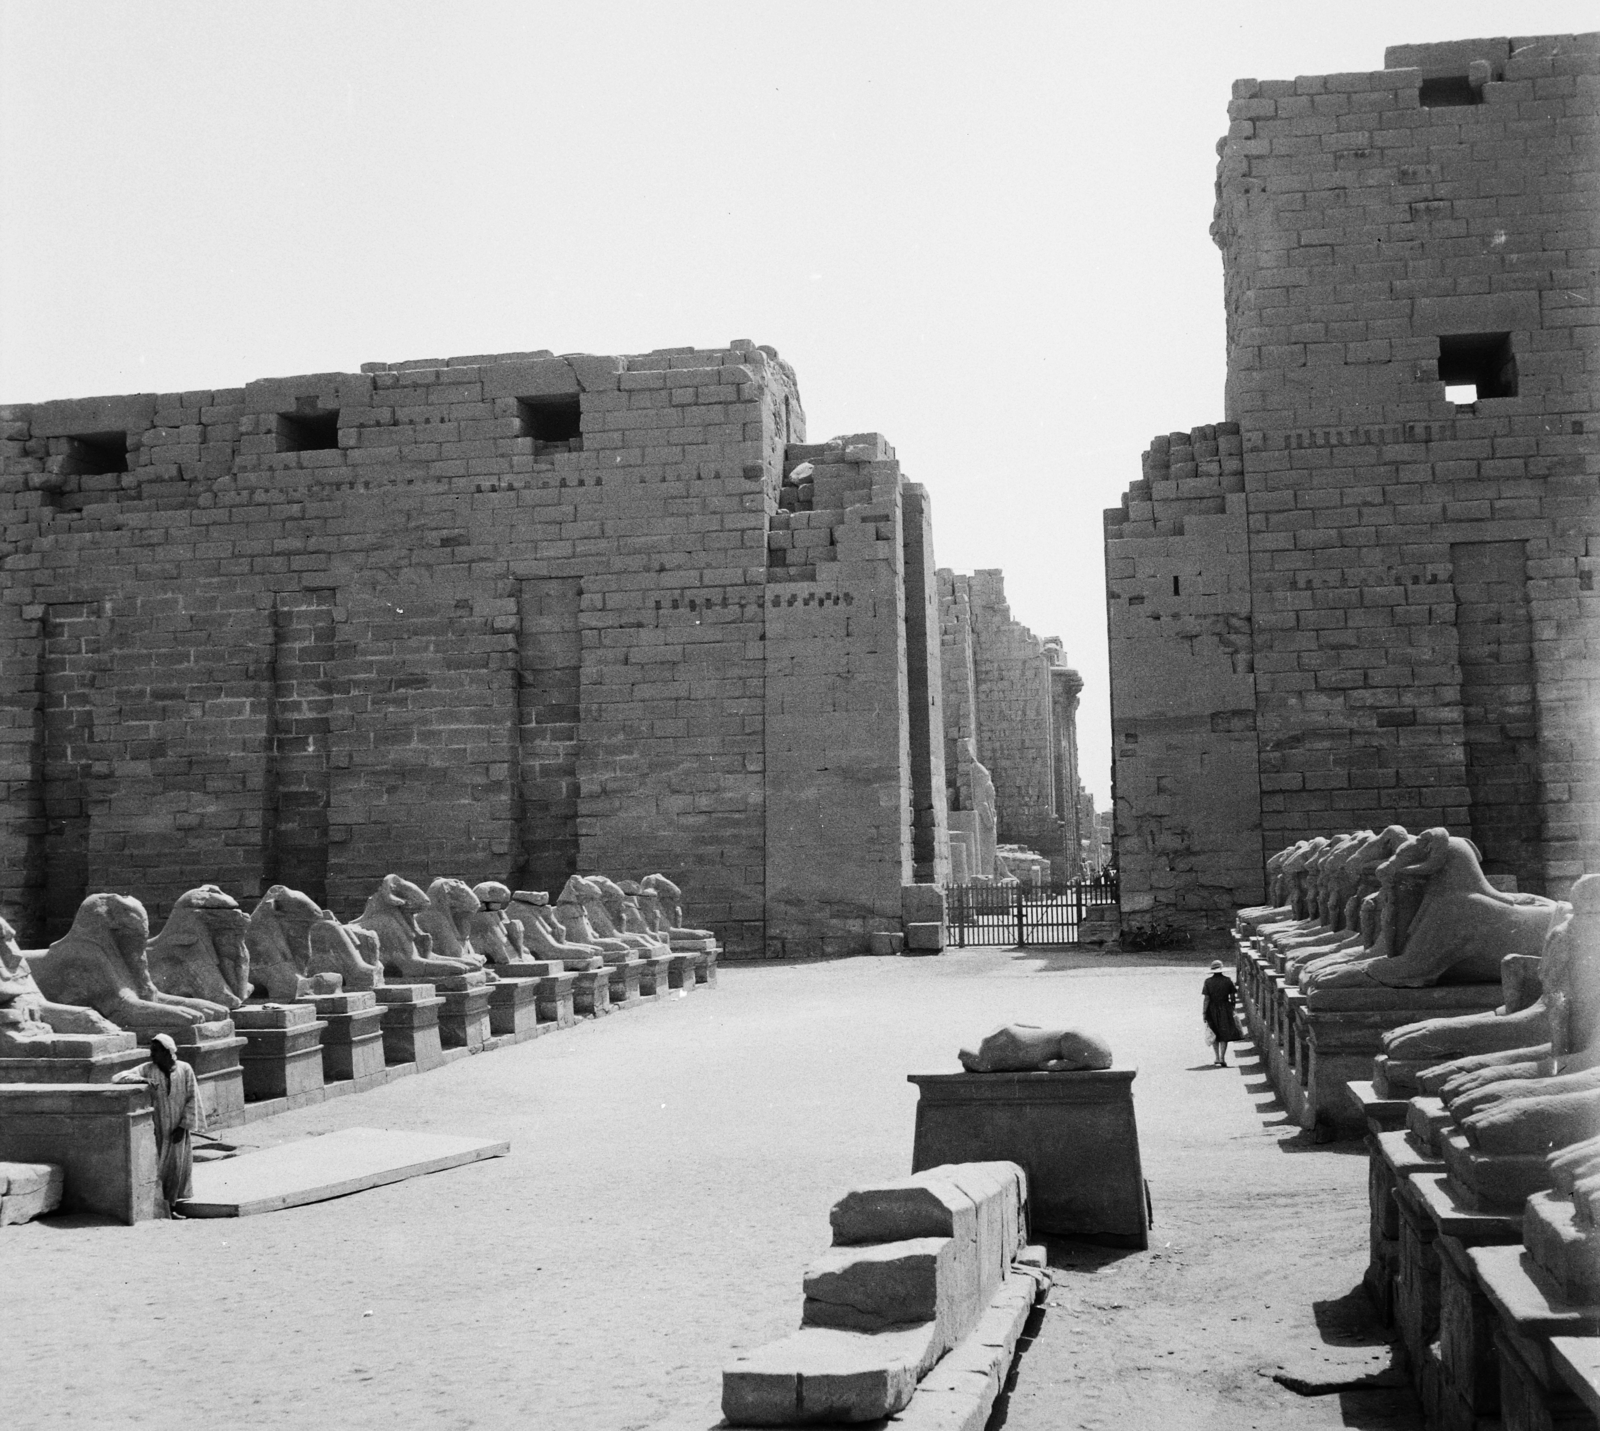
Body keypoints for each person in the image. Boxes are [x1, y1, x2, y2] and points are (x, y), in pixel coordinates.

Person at [114, 1031, 207, 1215]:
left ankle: (171, 1207)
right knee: (158, 1168)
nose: (152, 1054)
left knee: (176, 1169)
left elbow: (192, 1098)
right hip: (157, 1129)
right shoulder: (148, 1069)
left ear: (167, 1051)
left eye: (155, 1050)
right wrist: (142, 1080)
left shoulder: (185, 1069)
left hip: (178, 1129)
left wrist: (183, 1126)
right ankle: (162, 1209)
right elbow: (118, 1077)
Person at [1202, 959, 1243, 1068]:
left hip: (1212, 1008)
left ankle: (1216, 1057)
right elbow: (1233, 997)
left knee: (1214, 1032)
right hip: (1225, 1007)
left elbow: (1207, 998)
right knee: (1224, 1033)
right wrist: (1232, 1007)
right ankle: (1222, 1058)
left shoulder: (1208, 982)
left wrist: (1204, 1012)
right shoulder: (1228, 980)